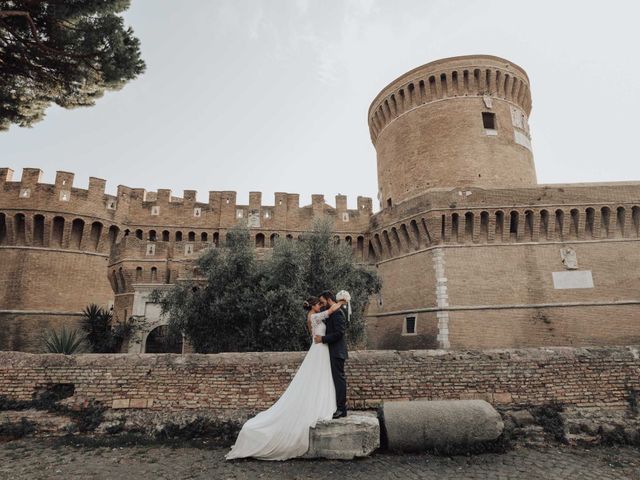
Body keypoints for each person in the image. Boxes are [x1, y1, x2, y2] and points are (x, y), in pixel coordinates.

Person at [225, 295, 347, 461]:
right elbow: (332, 309)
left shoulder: (313, 316)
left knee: (319, 379)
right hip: (320, 351)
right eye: (319, 304)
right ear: (313, 306)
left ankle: (325, 403)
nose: (322, 306)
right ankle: (321, 405)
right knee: (317, 378)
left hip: (321, 350)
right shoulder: (315, 316)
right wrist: (342, 301)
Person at [315, 290, 348, 418]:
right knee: (334, 380)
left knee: (339, 380)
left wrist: (322, 339)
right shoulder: (332, 312)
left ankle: (341, 409)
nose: (322, 305)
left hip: (337, 352)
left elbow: (340, 333)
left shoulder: (338, 313)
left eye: (323, 302)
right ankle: (335, 407)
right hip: (332, 351)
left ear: (329, 299)